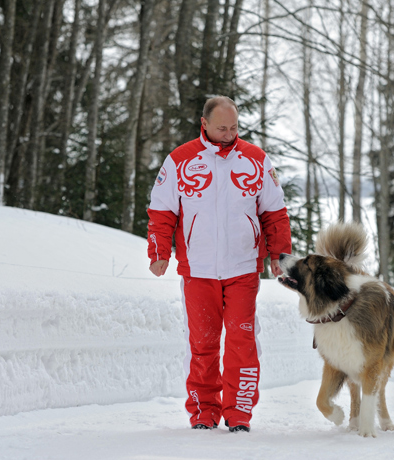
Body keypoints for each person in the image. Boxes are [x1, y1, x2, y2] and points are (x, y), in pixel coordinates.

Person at [146, 96, 292, 433]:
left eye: (234, 127)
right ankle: (203, 411)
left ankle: (239, 412)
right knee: (203, 344)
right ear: (205, 124)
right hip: (198, 270)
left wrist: (279, 255)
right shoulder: (180, 160)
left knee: (242, 342)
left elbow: (274, 211)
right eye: (222, 128)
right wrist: (159, 252)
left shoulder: (255, 160)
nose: (229, 134)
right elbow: (162, 211)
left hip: (242, 267)